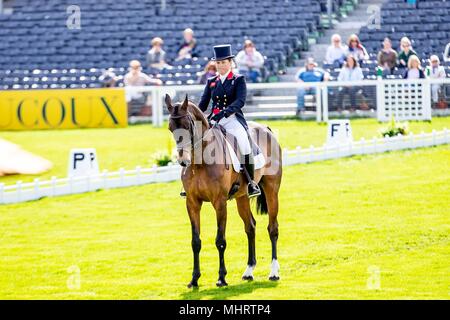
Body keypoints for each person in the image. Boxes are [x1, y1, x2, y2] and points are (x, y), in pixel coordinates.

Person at [198, 44, 261, 198]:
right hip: (214, 122)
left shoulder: (238, 79)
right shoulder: (212, 81)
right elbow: (203, 104)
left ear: (230, 63)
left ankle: (251, 183)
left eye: (224, 62)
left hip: (233, 120)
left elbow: (240, 101)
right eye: (218, 63)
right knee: (197, 142)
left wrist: (224, 113)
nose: (221, 66)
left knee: (244, 143)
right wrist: (198, 117)